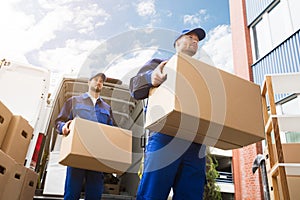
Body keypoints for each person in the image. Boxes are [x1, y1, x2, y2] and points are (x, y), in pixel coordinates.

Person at [129, 28, 207, 200]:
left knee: (191, 195)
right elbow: (134, 87)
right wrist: (151, 78)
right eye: (190, 37)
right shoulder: (160, 64)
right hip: (165, 136)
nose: (195, 41)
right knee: (152, 194)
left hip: (196, 143)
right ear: (177, 42)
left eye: (197, 40)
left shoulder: (203, 74)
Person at [55, 72, 114, 200]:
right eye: (96, 79)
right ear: (89, 82)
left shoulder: (107, 108)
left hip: (97, 157)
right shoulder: (74, 101)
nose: (99, 82)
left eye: (101, 81)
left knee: (94, 195)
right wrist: (64, 127)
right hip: (77, 154)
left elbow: (112, 130)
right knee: (71, 194)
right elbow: (59, 122)